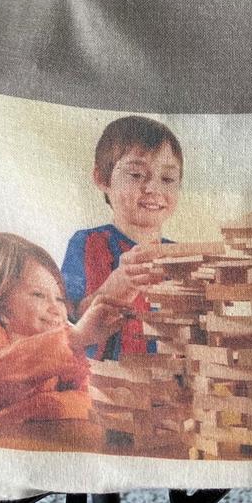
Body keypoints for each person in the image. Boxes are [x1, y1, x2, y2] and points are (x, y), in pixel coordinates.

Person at [0, 232, 124, 446]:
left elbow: (87, 399)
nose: (55, 309)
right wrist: (72, 339)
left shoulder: (64, 350)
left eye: (60, 299)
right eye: (39, 295)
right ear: (1, 303)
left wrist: (37, 406)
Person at [62, 116, 182, 360]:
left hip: (168, 378)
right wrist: (116, 287)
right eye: (136, 174)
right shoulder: (88, 243)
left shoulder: (181, 257)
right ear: (102, 179)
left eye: (168, 179)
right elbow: (69, 318)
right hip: (105, 377)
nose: (153, 188)